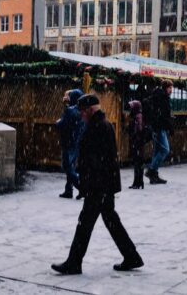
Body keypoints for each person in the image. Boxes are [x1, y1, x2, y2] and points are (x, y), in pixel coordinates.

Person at [52, 94, 143, 275]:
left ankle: (74, 262)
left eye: (83, 112)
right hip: (103, 185)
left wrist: (89, 184)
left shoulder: (99, 127)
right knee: (110, 221)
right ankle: (131, 256)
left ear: (91, 110)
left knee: (85, 223)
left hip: (98, 185)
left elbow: (98, 161)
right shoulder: (101, 125)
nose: (81, 116)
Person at [56, 89, 84, 199]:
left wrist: (58, 122)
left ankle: (81, 187)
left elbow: (61, 125)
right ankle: (68, 190)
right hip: (76, 142)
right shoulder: (82, 111)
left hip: (68, 141)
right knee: (71, 165)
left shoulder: (70, 110)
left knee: (67, 166)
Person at [145, 80, 174, 185]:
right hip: (159, 127)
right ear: (165, 87)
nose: (171, 90)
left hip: (156, 127)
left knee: (157, 151)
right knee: (165, 150)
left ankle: (154, 175)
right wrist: (170, 126)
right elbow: (163, 115)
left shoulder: (158, 96)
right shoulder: (162, 98)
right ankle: (152, 170)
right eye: (170, 88)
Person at [126, 100, 147, 190]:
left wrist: (134, 136)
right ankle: (139, 182)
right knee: (139, 163)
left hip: (137, 143)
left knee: (137, 163)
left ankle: (137, 182)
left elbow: (138, 130)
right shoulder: (139, 115)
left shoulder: (137, 117)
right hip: (139, 144)